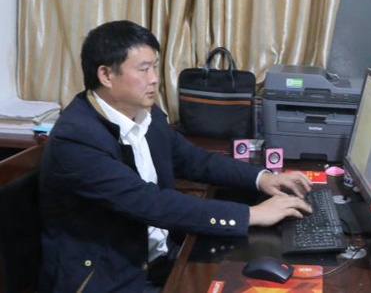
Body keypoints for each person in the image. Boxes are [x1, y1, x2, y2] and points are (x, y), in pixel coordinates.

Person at [39, 20, 312, 292]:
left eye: (155, 67)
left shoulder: (145, 113)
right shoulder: (76, 139)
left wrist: (262, 178)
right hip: (111, 278)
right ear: (106, 75)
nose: (154, 79)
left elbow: (193, 159)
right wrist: (250, 215)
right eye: (144, 69)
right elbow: (149, 203)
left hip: (160, 258)